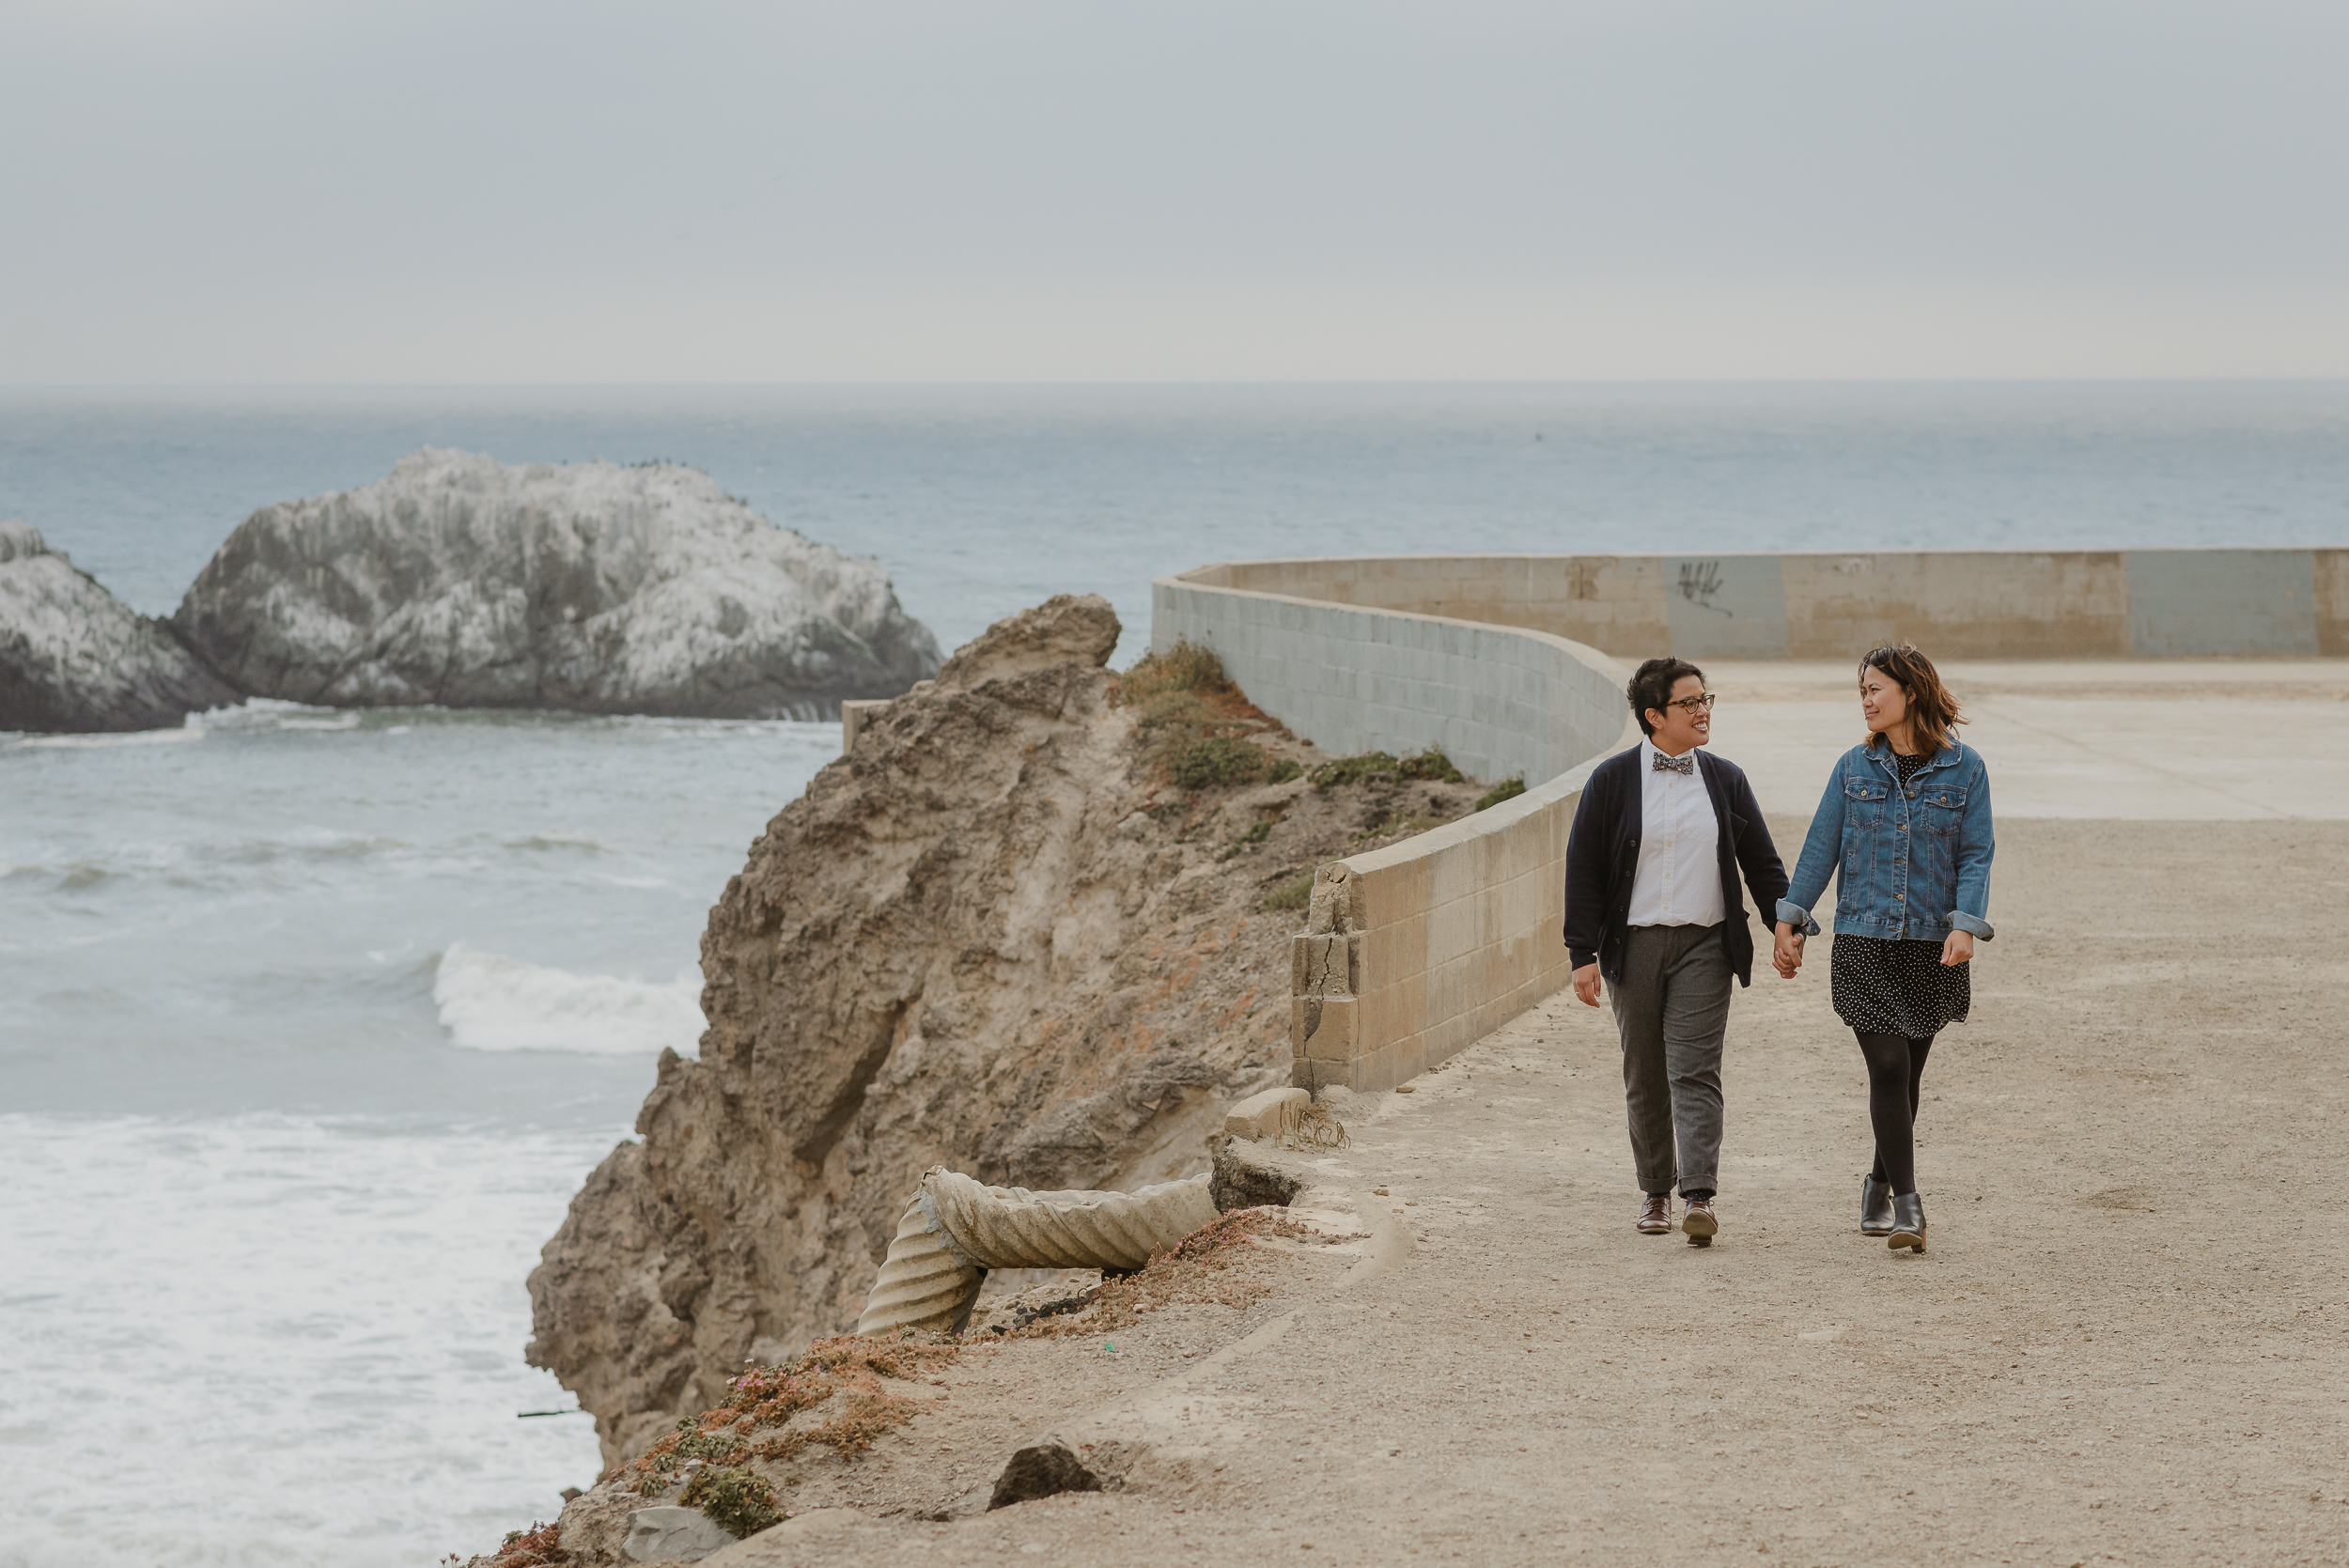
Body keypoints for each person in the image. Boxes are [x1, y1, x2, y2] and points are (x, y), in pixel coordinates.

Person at [1773, 644, 1995, 1254]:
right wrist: (1792, 919)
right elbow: (1822, 847)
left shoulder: (1965, 769)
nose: (1867, 700)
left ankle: (1876, 1182)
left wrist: (1964, 925)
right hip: (1864, 940)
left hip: (1931, 942)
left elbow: (1976, 853)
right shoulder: (1852, 768)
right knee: (1890, 1067)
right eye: (1862, 690)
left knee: (1909, 1073)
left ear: (1911, 691)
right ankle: (1909, 1207)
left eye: (1875, 688)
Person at [1563, 657, 1792, 1246]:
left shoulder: (1725, 778)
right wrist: (1580, 953)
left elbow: (1761, 863)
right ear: (1654, 716)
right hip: (1631, 945)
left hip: (1705, 943)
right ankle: (1655, 1191)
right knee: (1645, 1072)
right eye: (1690, 703)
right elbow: (1583, 869)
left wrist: (1783, 923)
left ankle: (1699, 1196)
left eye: (1706, 699)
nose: (1703, 711)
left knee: (1694, 1069)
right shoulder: (1611, 781)